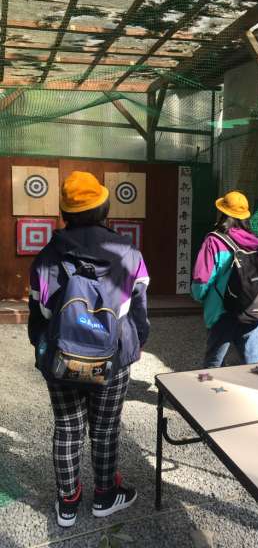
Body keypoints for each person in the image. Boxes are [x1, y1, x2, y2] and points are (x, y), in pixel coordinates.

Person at [28, 171, 150, 527]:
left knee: (67, 428)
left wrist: (43, 348)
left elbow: (39, 314)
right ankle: (105, 496)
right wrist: (136, 344)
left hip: (62, 360)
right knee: (106, 429)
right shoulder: (128, 253)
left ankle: (68, 503)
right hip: (113, 358)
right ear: (103, 208)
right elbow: (139, 310)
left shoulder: (47, 256)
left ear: (65, 212)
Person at [191, 190, 258, 368]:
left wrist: (199, 297)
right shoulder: (254, 242)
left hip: (222, 311)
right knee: (256, 367)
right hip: (253, 308)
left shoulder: (214, 241)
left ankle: (212, 387)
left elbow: (202, 280)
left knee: (214, 365)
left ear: (223, 213)